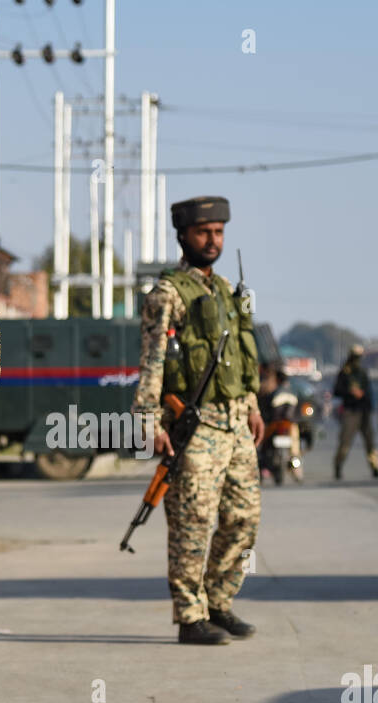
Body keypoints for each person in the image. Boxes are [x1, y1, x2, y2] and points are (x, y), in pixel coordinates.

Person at [131, 196, 263, 646]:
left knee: (244, 518)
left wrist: (253, 407)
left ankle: (218, 601)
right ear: (184, 236)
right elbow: (151, 361)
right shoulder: (166, 295)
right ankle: (191, 617)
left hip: (236, 421)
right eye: (204, 232)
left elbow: (242, 355)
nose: (213, 240)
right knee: (193, 522)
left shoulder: (226, 290)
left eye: (219, 232)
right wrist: (149, 419)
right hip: (196, 423)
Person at [332, 344, 378, 480]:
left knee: (370, 441)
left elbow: (368, 391)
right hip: (350, 411)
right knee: (345, 441)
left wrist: (363, 397)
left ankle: (375, 467)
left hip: (364, 410)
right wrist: (350, 392)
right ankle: (338, 466)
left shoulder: (362, 372)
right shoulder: (344, 372)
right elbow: (336, 391)